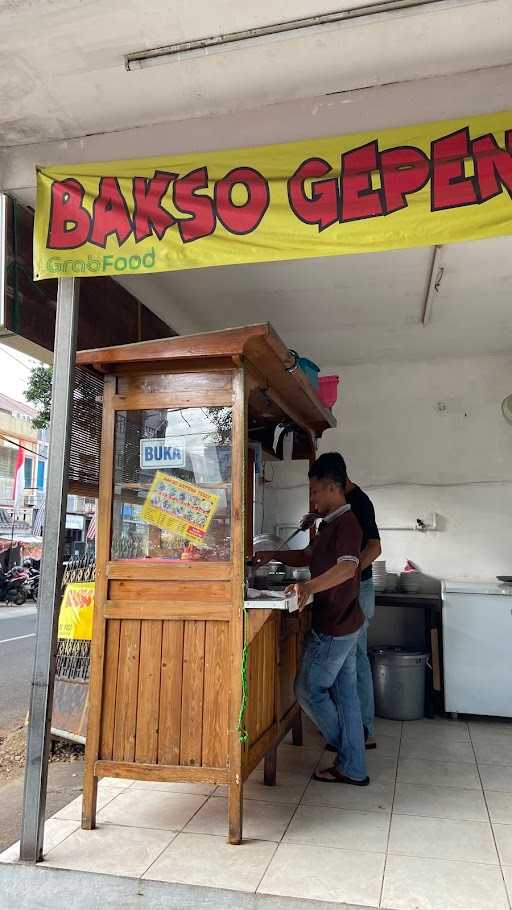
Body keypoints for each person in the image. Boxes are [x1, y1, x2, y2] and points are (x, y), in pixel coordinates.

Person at [254, 453, 368, 786]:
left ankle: (348, 747)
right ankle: (353, 764)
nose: (312, 499)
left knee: (308, 690)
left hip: (337, 624)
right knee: (345, 694)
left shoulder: (348, 524)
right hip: (346, 620)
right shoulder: (330, 523)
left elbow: (348, 566)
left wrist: (308, 587)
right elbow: (307, 556)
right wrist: (274, 554)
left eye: (316, 492)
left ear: (333, 488)